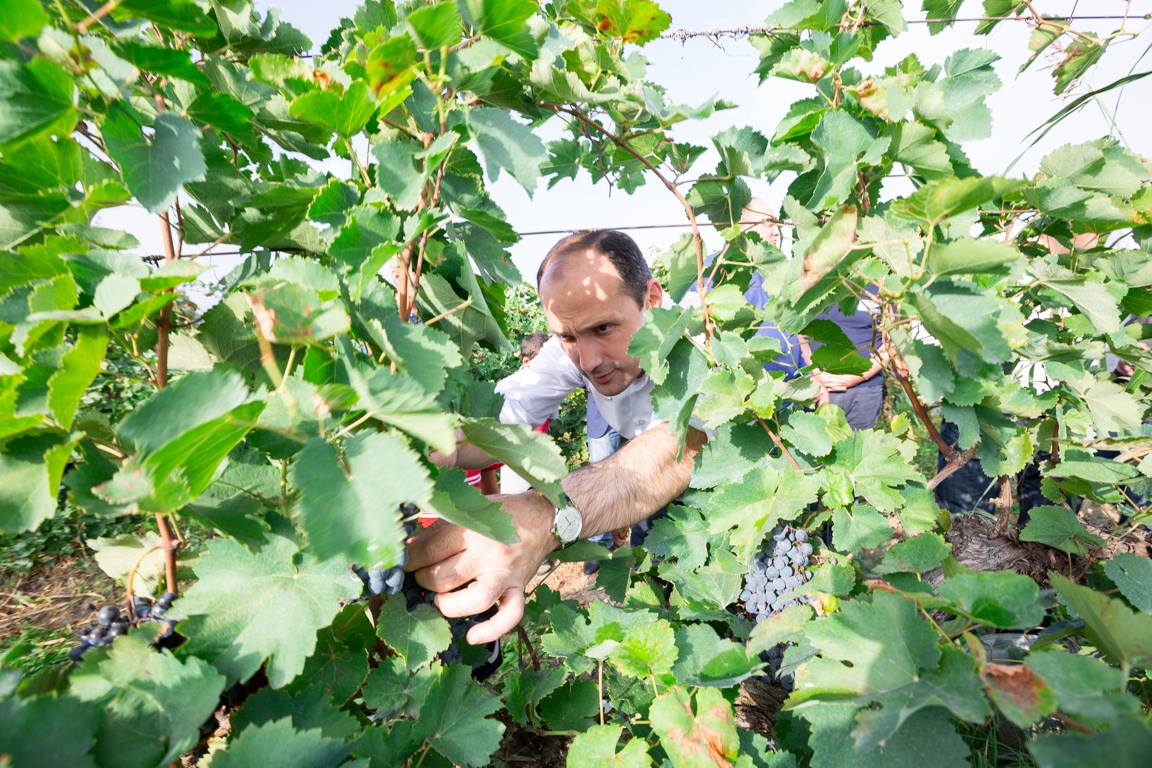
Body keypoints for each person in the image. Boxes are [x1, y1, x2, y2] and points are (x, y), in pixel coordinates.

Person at [409, 229, 707, 644]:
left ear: (652, 299)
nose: (588, 360)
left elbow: (680, 448)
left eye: (604, 328)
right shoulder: (577, 343)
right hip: (651, 481)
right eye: (567, 337)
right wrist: (425, 448)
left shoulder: (704, 345)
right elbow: (505, 420)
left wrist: (545, 515)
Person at [466, 333, 552, 495]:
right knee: (517, 497)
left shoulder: (547, 388)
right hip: (516, 454)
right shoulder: (510, 390)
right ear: (526, 362)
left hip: (531, 452)